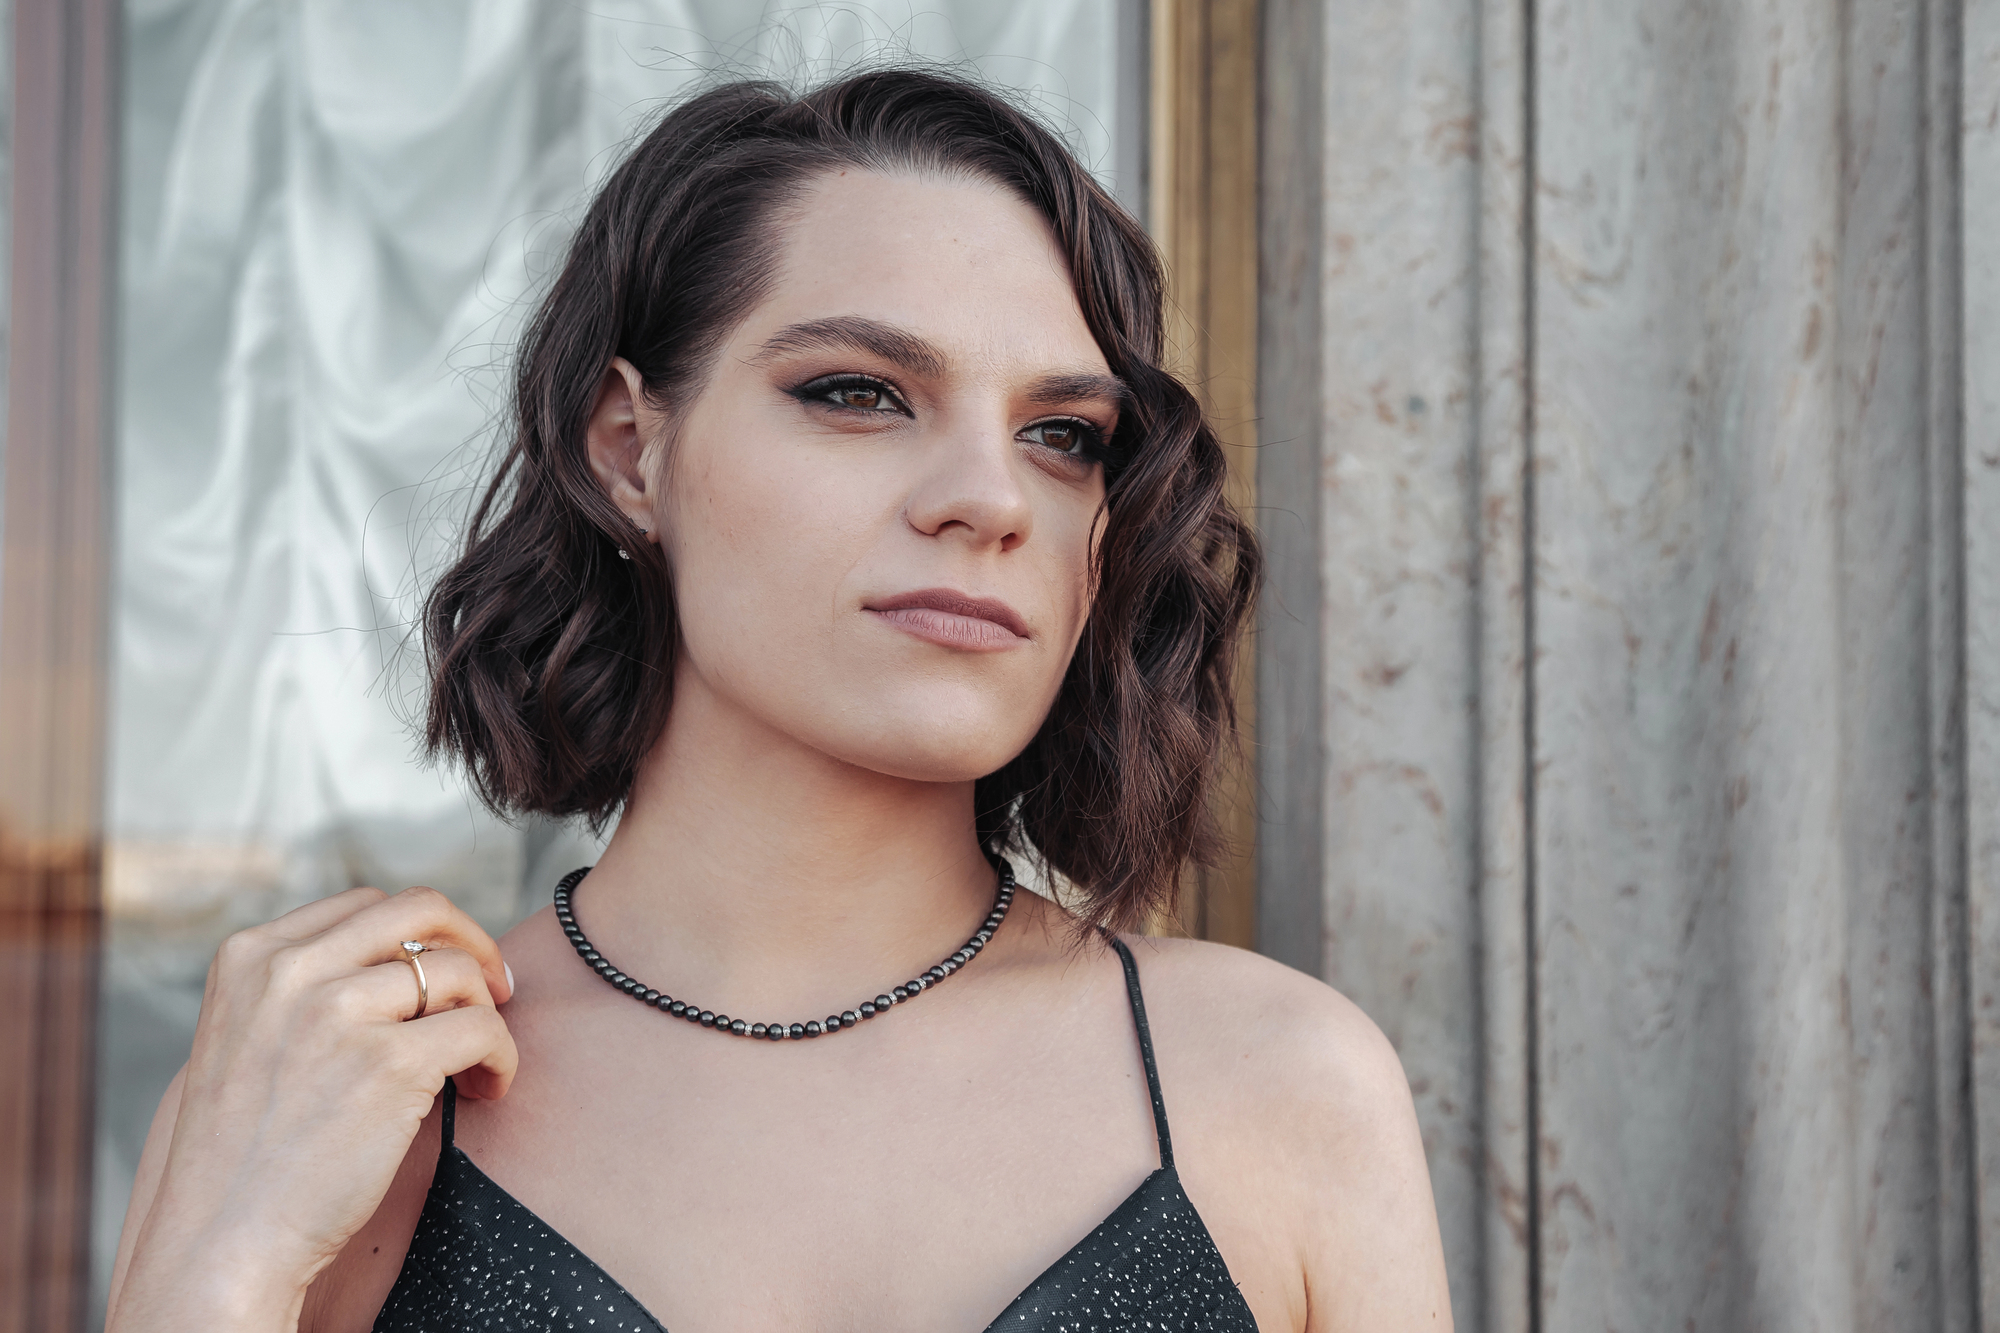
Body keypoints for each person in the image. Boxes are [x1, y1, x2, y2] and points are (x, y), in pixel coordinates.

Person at [103, 69, 1450, 1332]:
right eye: (858, 393)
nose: (989, 497)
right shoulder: (346, 1101)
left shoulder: (1279, 1085)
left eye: (1063, 435)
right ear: (631, 450)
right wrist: (204, 1279)